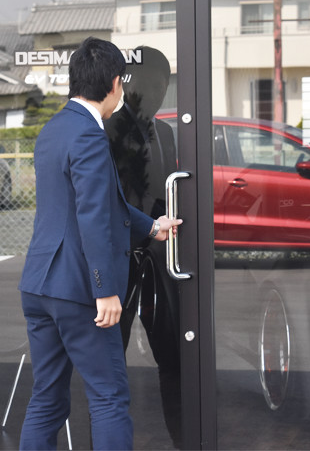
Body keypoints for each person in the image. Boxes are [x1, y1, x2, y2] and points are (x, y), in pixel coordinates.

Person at [18, 36, 182, 451]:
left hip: (39, 287)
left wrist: (152, 227)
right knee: (109, 398)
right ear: (114, 84)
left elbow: (104, 203)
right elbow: (91, 216)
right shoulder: (90, 136)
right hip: (77, 291)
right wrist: (104, 290)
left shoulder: (54, 129)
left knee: (47, 399)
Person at [104, 46, 181, 446]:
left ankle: (184, 438)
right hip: (118, 260)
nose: (157, 91)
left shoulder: (165, 133)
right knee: (110, 363)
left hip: (161, 258)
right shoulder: (106, 130)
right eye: (152, 82)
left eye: (162, 83)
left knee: (173, 357)